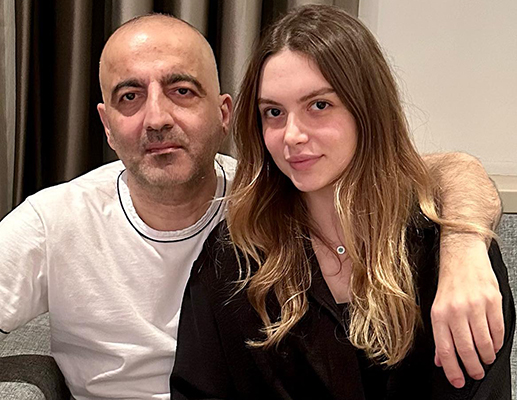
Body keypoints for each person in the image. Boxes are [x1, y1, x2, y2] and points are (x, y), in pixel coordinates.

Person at [0, 13, 506, 400]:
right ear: (105, 124)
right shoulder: (52, 221)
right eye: (129, 97)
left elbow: (432, 171)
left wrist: (463, 245)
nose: (156, 118)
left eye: (181, 90)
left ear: (224, 113)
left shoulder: (267, 203)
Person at [170, 5, 514, 400]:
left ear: (366, 109)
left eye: (319, 105)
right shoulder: (234, 259)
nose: (292, 135)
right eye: (274, 112)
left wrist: (465, 247)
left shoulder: (448, 256)